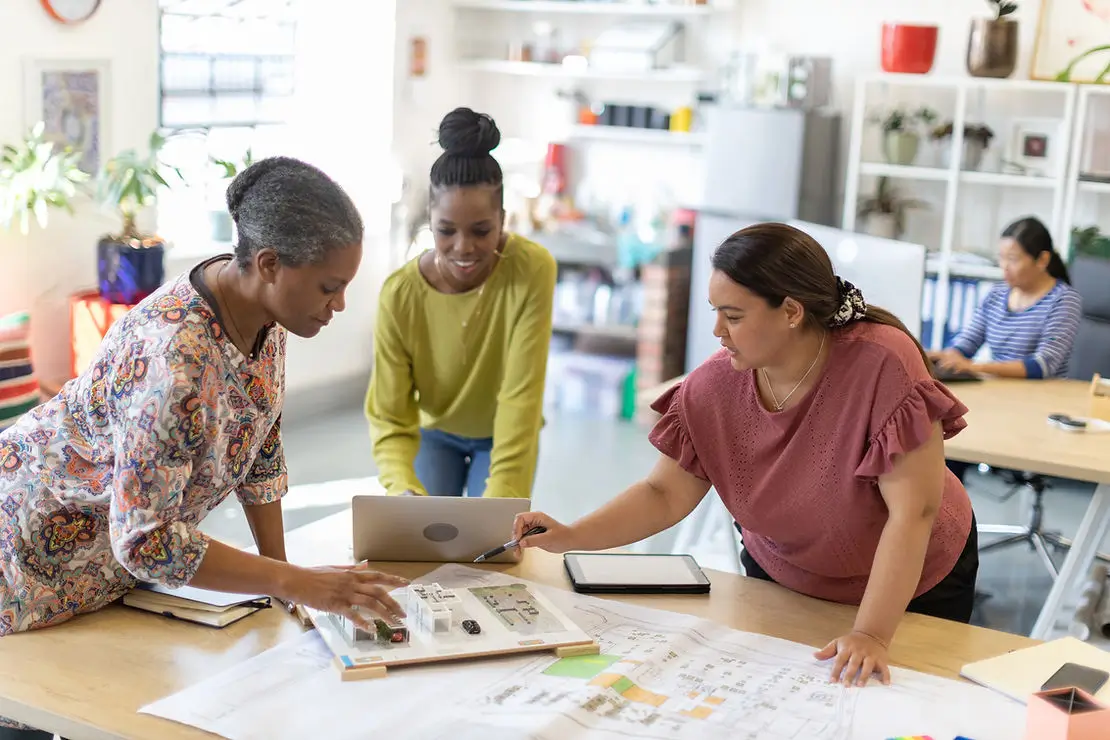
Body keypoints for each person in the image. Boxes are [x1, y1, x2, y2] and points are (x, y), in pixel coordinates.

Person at [0, 157, 407, 740]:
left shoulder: (262, 314)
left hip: (101, 558)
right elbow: (146, 539)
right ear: (268, 264)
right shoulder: (177, 359)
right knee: (43, 711)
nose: (338, 304)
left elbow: (260, 442)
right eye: (329, 286)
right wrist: (296, 582)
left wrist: (281, 575)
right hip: (26, 546)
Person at [510, 222, 978, 688]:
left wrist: (871, 633)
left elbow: (913, 512)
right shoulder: (712, 387)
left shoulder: (882, 361)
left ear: (791, 311)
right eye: (716, 312)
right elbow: (663, 494)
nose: (717, 331)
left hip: (914, 582)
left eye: (733, 316)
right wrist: (572, 534)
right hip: (787, 578)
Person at [365, 108, 556, 499]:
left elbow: (521, 398)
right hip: (433, 434)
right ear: (429, 221)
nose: (463, 248)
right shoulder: (400, 294)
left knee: (492, 546)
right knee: (422, 544)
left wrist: (496, 510)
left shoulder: (532, 269)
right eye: (446, 231)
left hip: (504, 435)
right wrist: (402, 487)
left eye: (482, 230)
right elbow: (389, 414)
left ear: (502, 219)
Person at [931, 216, 1082, 380]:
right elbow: (967, 342)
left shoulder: (1064, 299)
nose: (1004, 266)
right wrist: (948, 358)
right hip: (999, 389)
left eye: (1012, 259)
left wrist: (973, 367)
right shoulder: (997, 293)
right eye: (1001, 257)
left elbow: (1043, 365)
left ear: (1042, 260)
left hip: (1042, 396)